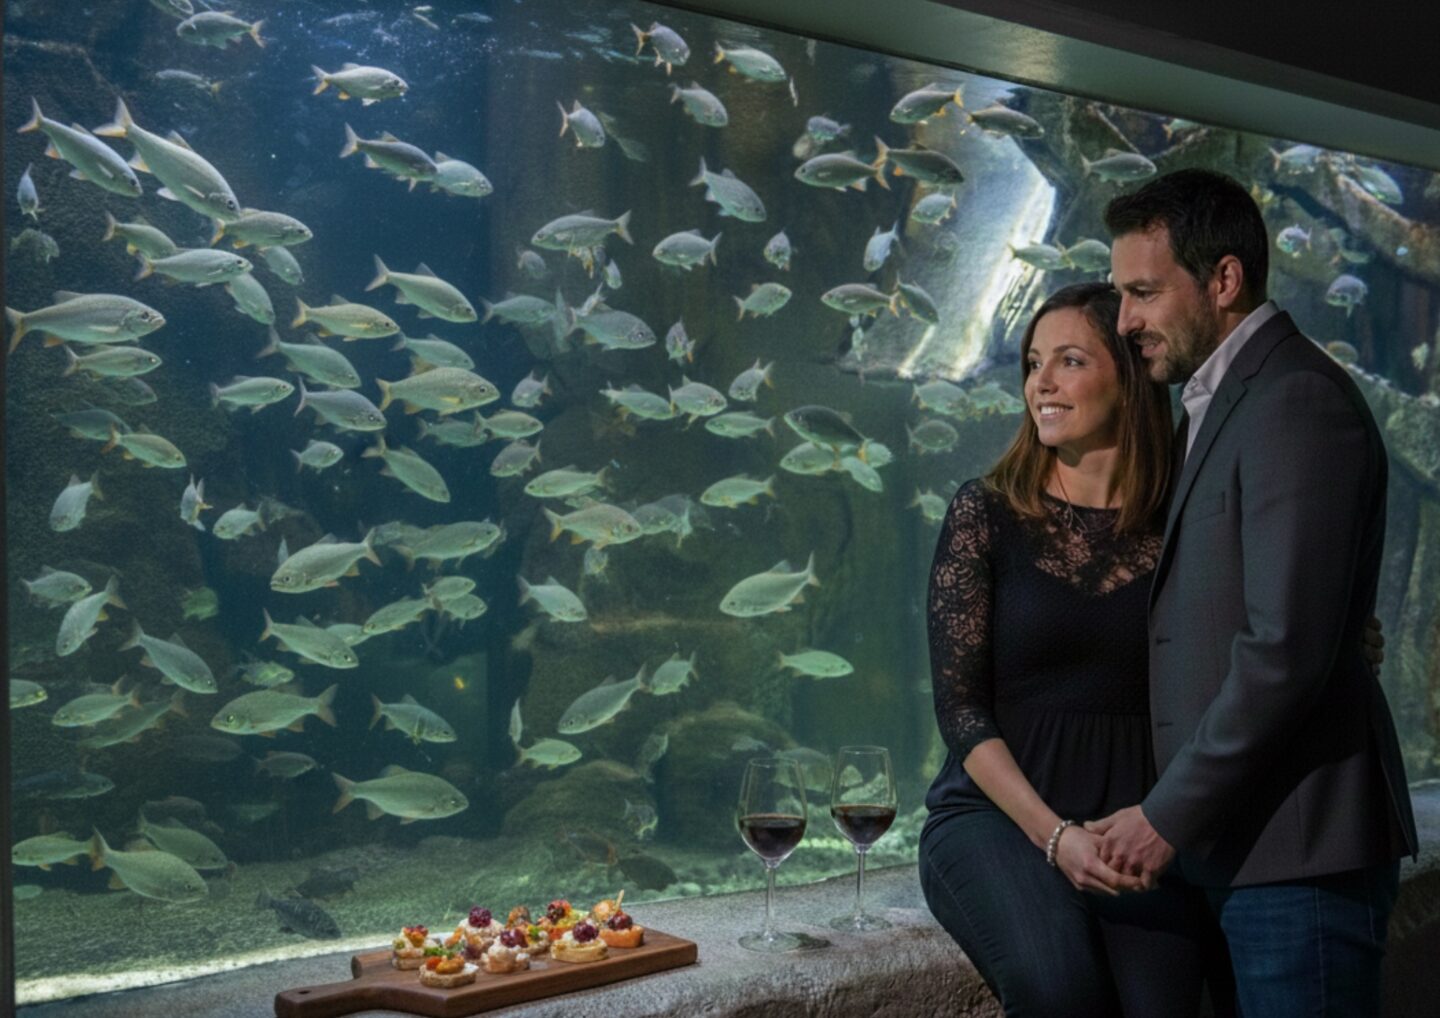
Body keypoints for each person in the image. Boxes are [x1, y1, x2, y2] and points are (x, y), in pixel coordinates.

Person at [1088, 168, 1419, 1017]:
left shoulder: (1295, 401)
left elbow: (1285, 650)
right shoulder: (1221, 400)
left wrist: (1165, 816)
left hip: (1299, 851)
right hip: (1248, 847)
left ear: (1225, 280)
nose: (1125, 321)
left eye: (1143, 293)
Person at [917, 281, 1230, 1017]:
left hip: (1137, 827)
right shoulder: (984, 513)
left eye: (1069, 361)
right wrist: (1055, 838)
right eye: (1032, 363)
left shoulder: (1182, 522)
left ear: (1129, 377)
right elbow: (960, 710)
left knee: (1168, 1005)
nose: (1041, 384)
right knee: (1062, 989)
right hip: (996, 820)